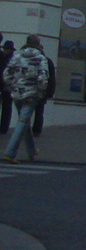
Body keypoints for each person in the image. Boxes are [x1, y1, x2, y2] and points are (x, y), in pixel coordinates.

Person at [3, 35, 50, 163]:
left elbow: (6, 74)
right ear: (38, 44)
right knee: (22, 122)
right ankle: (10, 153)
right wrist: (40, 92)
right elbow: (43, 78)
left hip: (17, 94)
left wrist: (12, 87)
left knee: (24, 122)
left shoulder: (17, 56)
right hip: (31, 95)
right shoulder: (40, 58)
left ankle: (31, 150)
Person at [31, 49, 54, 137]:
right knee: (39, 111)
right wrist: (50, 92)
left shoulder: (33, 61)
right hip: (42, 90)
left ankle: (29, 129)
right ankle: (36, 130)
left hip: (33, 89)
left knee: (30, 110)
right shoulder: (48, 61)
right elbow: (52, 78)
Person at [0, 38, 13, 134]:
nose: (6, 51)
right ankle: (3, 127)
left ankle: (4, 127)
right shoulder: (5, 58)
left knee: (7, 107)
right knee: (6, 107)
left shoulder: (11, 60)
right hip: (5, 85)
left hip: (7, 86)